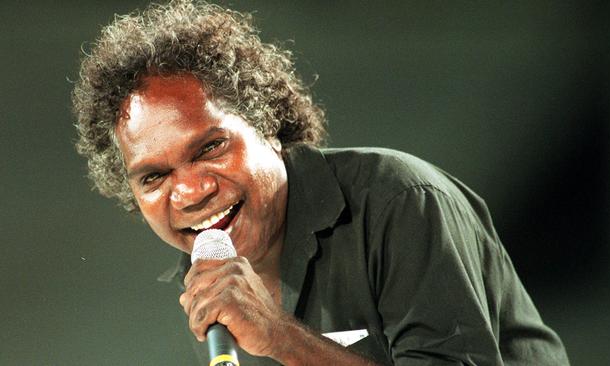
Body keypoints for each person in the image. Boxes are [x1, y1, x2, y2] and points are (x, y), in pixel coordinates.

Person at [72, 1, 570, 365]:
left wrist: (279, 335)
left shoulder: (402, 201)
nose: (190, 191)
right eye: (155, 177)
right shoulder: (207, 281)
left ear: (266, 123)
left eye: (210, 148)